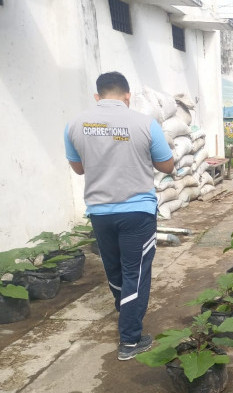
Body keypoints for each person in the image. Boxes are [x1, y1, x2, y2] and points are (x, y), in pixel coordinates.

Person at [64, 71, 174, 360]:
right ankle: (130, 340)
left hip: (99, 212)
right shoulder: (144, 123)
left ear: (97, 97)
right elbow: (166, 166)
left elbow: (79, 169)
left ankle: (126, 312)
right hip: (136, 211)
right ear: (128, 97)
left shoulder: (74, 125)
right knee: (134, 273)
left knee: (114, 270)